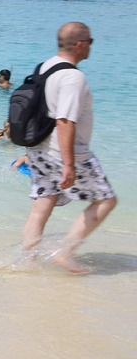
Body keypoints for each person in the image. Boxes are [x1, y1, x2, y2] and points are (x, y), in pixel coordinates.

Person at [21, 22, 118, 274]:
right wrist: (69, 164)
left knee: (45, 199)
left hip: (38, 148)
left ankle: (28, 257)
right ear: (80, 44)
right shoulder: (73, 77)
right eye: (90, 41)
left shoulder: (45, 66)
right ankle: (64, 251)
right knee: (106, 200)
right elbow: (64, 121)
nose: (91, 46)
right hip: (65, 151)